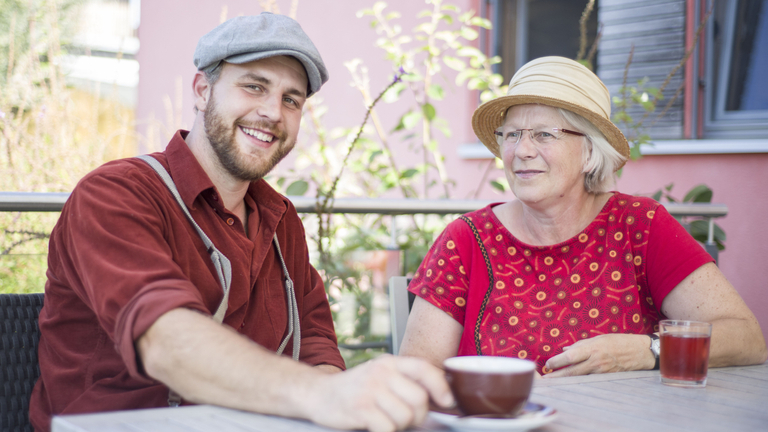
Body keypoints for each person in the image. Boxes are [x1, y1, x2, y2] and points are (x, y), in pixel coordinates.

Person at [30, 13, 452, 432]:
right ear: (202, 90)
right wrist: (321, 396)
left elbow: (317, 347)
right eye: (254, 86)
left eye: (292, 99)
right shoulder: (116, 194)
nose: (272, 112)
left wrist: (348, 400)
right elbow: (165, 341)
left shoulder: (281, 218)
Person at [399, 56, 767, 377]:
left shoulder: (639, 226)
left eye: (544, 134)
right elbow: (418, 370)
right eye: (511, 135)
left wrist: (647, 351)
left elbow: (747, 338)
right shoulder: (466, 239)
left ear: (590, 152)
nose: (522, 151)